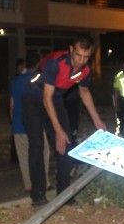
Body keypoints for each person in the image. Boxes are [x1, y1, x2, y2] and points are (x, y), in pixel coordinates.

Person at [21, 35, 106, 207]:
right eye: (78, 55)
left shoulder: (85, 70)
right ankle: (38, 194)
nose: (81, 61)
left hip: (56, 99)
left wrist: (97, 120)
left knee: (66, 147)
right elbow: (46, 98)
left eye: (86, 57)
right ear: (71, 50)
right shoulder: (55, 63)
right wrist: (58, 129)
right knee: (37, 145)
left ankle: (64, 194)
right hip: (34, 100)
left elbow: (84, 93)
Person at [9, 52, 51, 194]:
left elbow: (12, 104)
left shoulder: (16, 81)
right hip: (36, 124)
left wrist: (14, 122)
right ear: (39, 63)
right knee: (43, 153)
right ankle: (43, 181)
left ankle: (29, 185)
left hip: (19, 125)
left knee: (24, 157)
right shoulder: (38, 80)